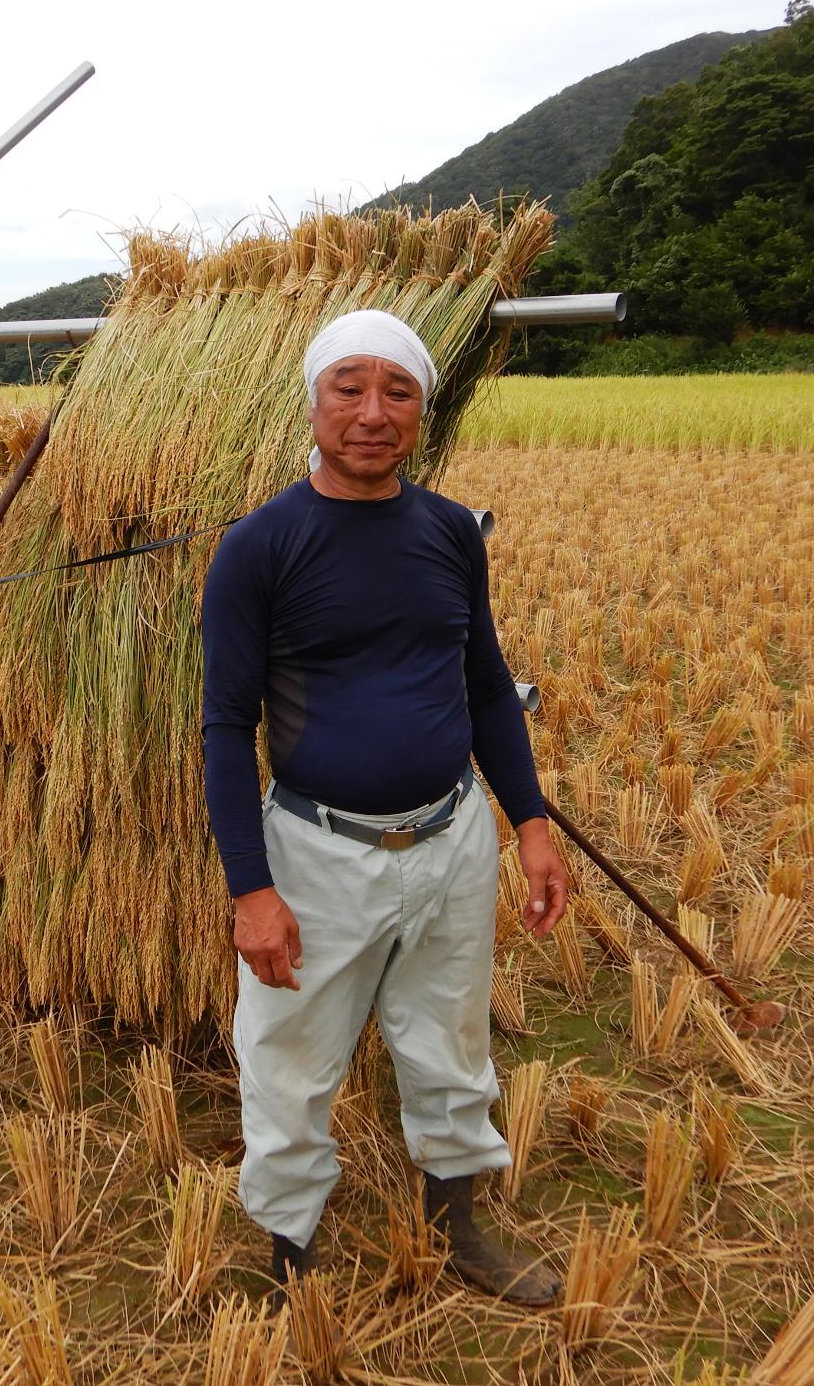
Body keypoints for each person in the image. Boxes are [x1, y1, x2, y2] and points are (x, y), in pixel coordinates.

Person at [199, 308, 572, 1307]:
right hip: (319, 857)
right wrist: (252, 889)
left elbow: (485, 687)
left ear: (420, 411)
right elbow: (224, 728)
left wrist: (527, 825)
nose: (371, 412)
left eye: (395, 391)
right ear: (313, 402)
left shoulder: (450, 533)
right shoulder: (258, 548)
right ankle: (288, 1259)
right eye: (348, 388)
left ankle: (457, 1229)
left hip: (450, 842)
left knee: (450, 1041)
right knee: (288, 1062)